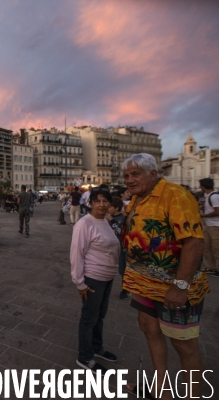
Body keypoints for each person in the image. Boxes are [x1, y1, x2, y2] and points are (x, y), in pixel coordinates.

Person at [121, 153, 208, 399]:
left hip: (175, 287)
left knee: (183, 344)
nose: (129, 179)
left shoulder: (176, 195)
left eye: (135, 174)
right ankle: (162, 391)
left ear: (153, 174)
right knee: (149, 329)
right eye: (126, 175)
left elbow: (193, 243)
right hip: (144, 284)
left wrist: (180, 287)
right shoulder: (137, 199)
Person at [70, 186, 120, 373]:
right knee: (89, 318)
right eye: (97, 201)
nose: (101, 204)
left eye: (105, 201)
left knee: (100, 316)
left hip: (107, 278)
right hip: (93, 278)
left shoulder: (106, 221)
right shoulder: (84, 224)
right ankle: (85, 357)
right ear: (90, 203)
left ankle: (97, 348)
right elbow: (77, 254)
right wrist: (79, 282)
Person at [199, 178, 219, 278]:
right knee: (207, 247)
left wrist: (204, 215)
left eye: (201, 186)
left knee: (217, 249)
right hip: (209, 225)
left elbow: (218, 211)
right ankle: (211, 267)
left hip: (217, 226)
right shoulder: (208, 196)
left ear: (203, 187)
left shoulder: (214, 196)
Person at [106, 196, 128, 299]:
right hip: (111, 248)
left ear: (117, 208)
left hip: (122, 248)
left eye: (110, 206)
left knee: (122, 270)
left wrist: (112, 222)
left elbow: (121, 232)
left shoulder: (123, 219)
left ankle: (126, 290)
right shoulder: (108, 217)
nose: (108, 208)